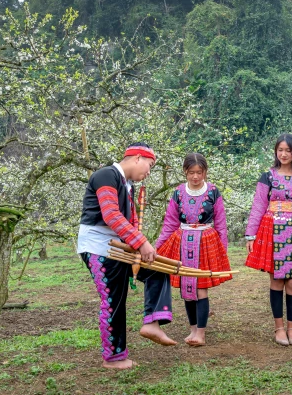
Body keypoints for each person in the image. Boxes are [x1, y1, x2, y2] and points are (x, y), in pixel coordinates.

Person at [77, 142, 176, 370]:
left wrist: (139, 246)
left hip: (120, 247)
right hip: (99, 248)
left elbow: (126, 222)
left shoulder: (127, 185)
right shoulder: (105, 175)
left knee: (157, 269)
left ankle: (153, 323)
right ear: (137, 158)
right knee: (113, 300)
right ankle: (113, 358)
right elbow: (111, 215)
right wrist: (141, 243)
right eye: (149, 166)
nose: (148, 172)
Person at [245, 133, 292, 346]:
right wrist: (251, 234)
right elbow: (258, 205)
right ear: (275, 152)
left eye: (288, 150)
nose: (284, 154)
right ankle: (279, 328)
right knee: (276, 279)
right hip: (271, 228)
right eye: (280, 150)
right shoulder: (267, 176)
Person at [155, 153, 232, 347]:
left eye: (199, 172)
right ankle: (192, 330)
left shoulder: (214, 192)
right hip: (182, 242)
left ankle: (201, 333)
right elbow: (170, 223)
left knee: (201, 288)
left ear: (205, 172)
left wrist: (222, 250)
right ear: (185, 172)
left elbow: (221, 223)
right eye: (191, 172)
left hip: (206, 243)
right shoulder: (178, 193)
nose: (195, 177)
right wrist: (156, 248)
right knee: (186, 288)